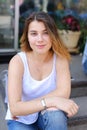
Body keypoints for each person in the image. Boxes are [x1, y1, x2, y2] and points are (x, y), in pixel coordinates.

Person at [5, 11, 79, 130]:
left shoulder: (60, 59)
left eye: (45, 33)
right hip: (21, 119)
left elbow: (64, 92)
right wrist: (51, 100)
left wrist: (27, 105)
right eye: (34, 33)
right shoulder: (18, 61)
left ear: (53, 35)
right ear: (27, 37)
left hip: (47, 113)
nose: (40, 39)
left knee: (56, 116)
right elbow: (15, 108)